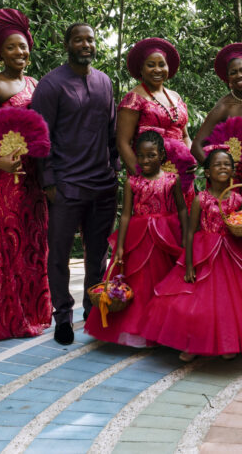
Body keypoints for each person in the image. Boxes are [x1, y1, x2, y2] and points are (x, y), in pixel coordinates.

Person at [140, 147, 242, 359]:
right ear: (208, 172)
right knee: (196, 302)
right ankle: (192, 345)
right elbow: (192, 232)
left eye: (227, 165)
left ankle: (228, 343)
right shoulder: (200, 199)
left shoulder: (238, 198)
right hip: (204, 253)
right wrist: (190, 265)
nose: (223, 167)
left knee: (229, 302)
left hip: (232, 252)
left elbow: (237, 224)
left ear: (232, 171)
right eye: (217, 165)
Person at [31, 23, 119, 345]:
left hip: (102, 185)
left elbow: (112, 130)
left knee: (98, 254)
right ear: (67, 44)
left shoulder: (105, 82)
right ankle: (63, 317)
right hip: (66, 186)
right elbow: (40, 138)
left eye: (90, 39)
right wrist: (49, 181)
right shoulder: (51, 85)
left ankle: (92, 309)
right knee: (59, 255)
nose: (86, 44)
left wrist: (115, 168)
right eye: (79, 39)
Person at [0, 8, 51, 342]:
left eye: (22, 46)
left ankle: (36, 312)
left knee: (36, 243)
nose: (19, 53)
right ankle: (9, 319)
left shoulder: (34, 83)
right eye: (11, 48)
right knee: (10, 244)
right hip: (5, 176)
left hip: (33, 174)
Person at [85, 130, 185, 346]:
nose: (145, 160)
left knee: (163, 281)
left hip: (165, 237)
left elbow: (182, 209)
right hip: (137, 239)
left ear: (161, 156)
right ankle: (136, 331)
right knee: (136, 283)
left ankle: (161, 329)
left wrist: (185, 237)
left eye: (151, 155)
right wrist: (119, 247)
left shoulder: (172, 180)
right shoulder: (132, 182)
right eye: (141, 155)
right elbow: (126, 215)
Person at [192, 43, 242, 256]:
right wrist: (215, 174)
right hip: (230, 184)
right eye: (233, 72)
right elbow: (196, 146)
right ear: (227, 79)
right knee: (230, 236)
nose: (239, 75)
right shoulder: (224, 106)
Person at [117, 38, 190, 177]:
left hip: (181, 176)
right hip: (150, 178)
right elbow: (123, 143)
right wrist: (142, 176)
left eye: (162, 65)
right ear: (141, 69)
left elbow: (185, 136)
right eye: (151, 65)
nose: (157, 70)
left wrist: (189, 160)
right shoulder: (133, 98)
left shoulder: (176, 96)